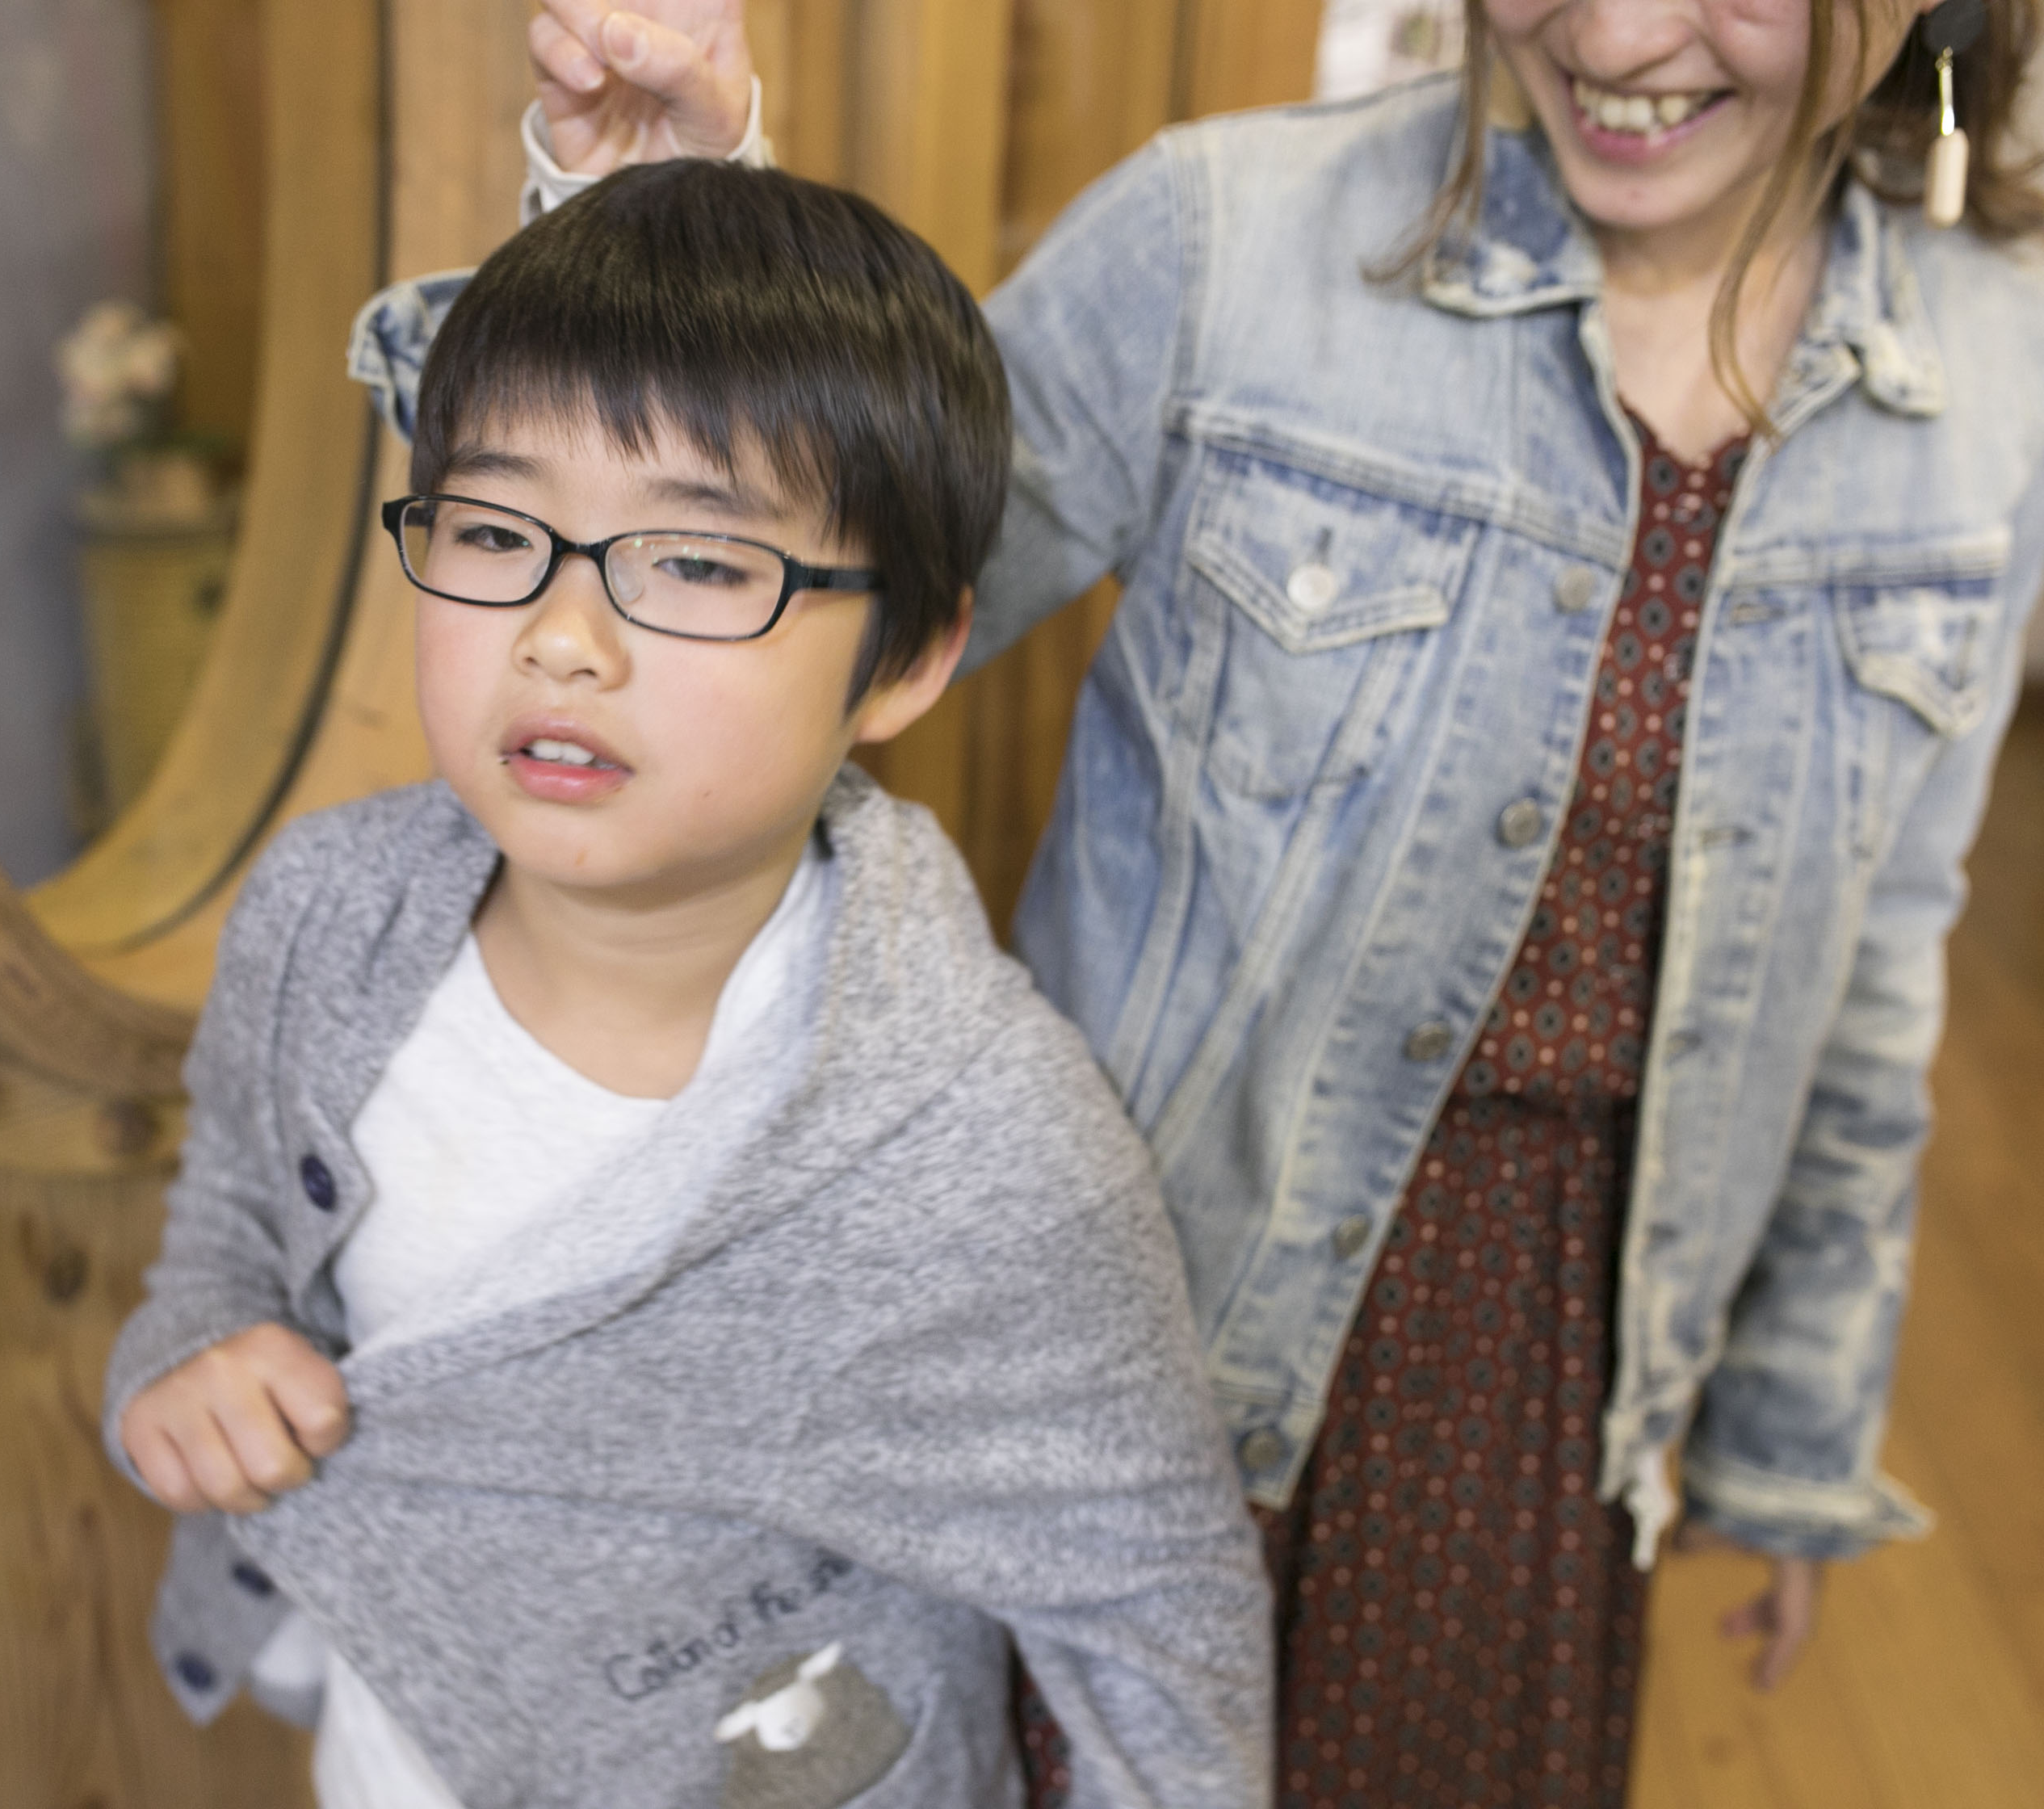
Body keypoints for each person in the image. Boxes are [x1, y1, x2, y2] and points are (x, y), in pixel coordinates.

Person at [405, 2, 2044, 1804]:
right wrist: (675, 237)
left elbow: (1875, 969)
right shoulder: (1222, 242)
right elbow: (818, 602)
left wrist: (1792, 1425)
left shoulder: (2000, 383)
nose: (1619, 29)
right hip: (1120, 1340)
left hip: (1553, 1391)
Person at [103, 160, 1273, 1809]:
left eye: (701, 565)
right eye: (496, 532)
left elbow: (1158, 1619)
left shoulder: (986, 1156)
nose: (564, 637)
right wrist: (194, 1346)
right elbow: (229, 1207)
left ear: (909, 656)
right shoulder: (327, 915)